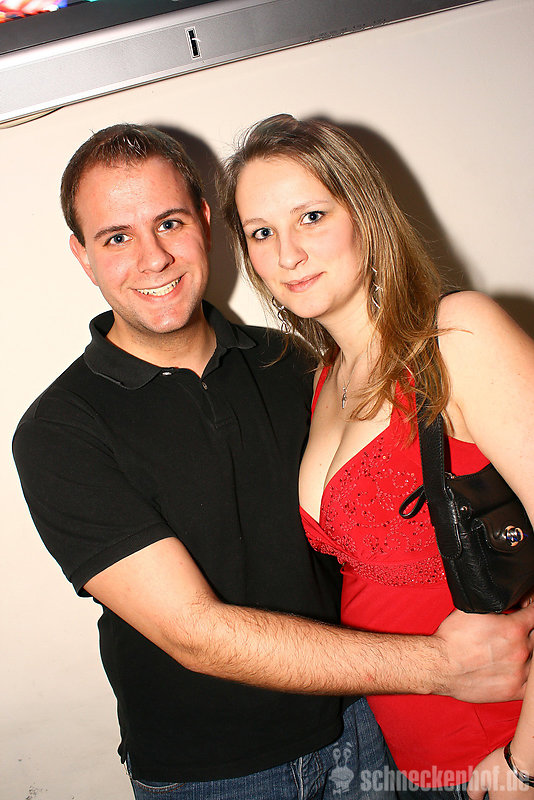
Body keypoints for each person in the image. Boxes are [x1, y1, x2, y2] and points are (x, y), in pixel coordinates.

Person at [12, 123, 534, 800]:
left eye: (168, 223)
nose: (153, 258)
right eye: (116, 237)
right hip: (214, 772)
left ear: (204, 224)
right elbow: (193, 631)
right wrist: (441, 666)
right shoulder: (59, 430)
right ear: (83, 255)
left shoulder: (297, 367)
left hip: (368, 735)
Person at [219, 113, 534, 800]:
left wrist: (526, 761)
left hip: (500, 750)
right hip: (408, 760)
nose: (288, 254)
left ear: (365, 213)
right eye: (261, 233)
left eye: (310, 217)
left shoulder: (457, 336)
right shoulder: (325, 378)